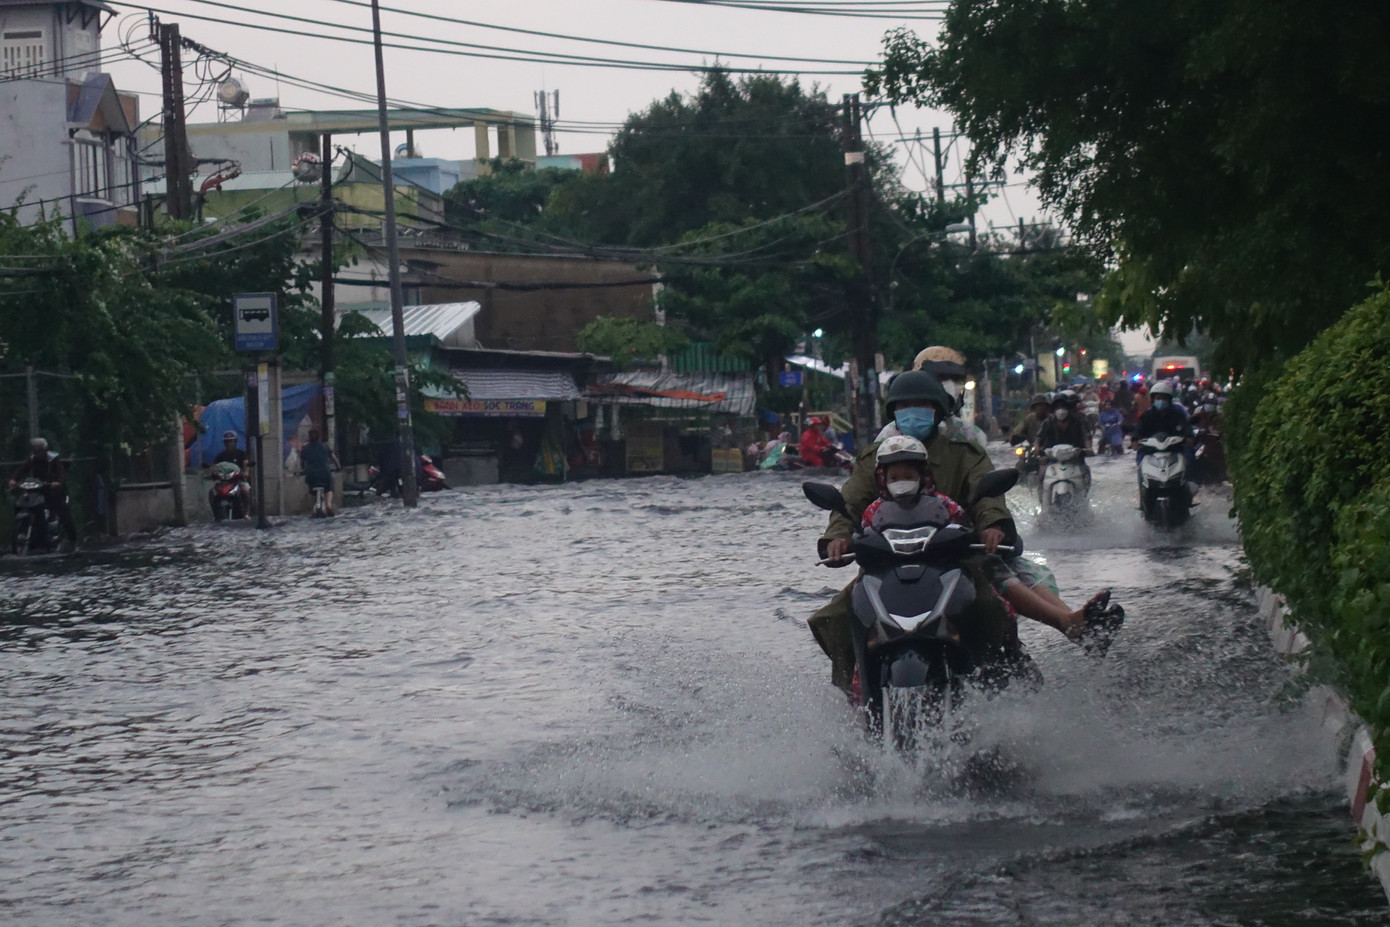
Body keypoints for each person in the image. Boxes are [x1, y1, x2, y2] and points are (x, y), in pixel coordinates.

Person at [8, 437, 77, 551]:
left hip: (51, 490)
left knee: (64, 514)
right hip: (36, 490)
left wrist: (57, 482)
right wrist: (14, 479)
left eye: (38, 449)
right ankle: (33, 538)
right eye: (34, 449)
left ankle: (72, 539)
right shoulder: (31, 458)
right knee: (22, 504)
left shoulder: (53, 459)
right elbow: (22, 469)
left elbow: (61, 473)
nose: (36, 451)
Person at [912, 345, 989, 448]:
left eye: (955, 379)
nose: (950, 384)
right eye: (941, 377)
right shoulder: (893, 434)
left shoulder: (972, 434)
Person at [1134, 380, 1194, 461]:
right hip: (1151, 450)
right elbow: (1139, 429)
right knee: (1140, 458)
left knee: (1189, 458)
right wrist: (1134, 440)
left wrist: (1189, 437)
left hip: (1174, 449)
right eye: (1158, 398)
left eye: (1164, 398)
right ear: (1153, 400)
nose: (1161, 401)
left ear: (1169, 400)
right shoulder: (1147, 416)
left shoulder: (1177, 415)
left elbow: (1186, 427)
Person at [210, 430, 253, 518]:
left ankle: (246, 513)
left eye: (231, 441)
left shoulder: (241, 454)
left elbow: (246, 464)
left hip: (238, 480)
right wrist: (213, 473)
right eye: (227, 441)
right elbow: (214, 467)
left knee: (245, 490)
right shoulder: (220, 456)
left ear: (235, 442)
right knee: (211, 493)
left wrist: (245, 472)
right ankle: (215, 514)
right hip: (224, 482)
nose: (229, 443)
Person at [301, 428, 340, 516]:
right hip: (325, 474)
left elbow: (302, 462)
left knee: (311, 490)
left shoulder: (305, 448)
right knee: (329, 488)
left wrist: (304, 469)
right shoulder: (325, 446)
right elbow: (334, 458)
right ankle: (328, 504)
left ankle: (312, 506)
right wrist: (338, 467)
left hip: (311, 475)